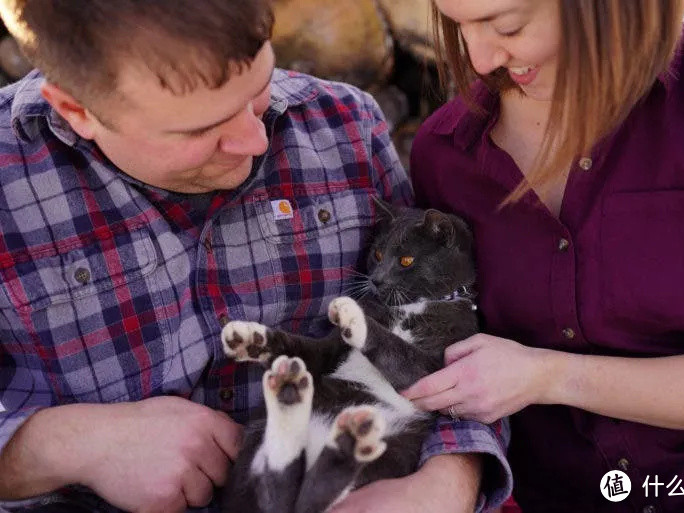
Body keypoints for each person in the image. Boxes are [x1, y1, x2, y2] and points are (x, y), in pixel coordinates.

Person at [0, 1, 514, 512]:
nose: (255, 137)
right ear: (77, 110)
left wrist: (448, 481)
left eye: (260, 87)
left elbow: (446, 338)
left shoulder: (346, 126)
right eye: (201, 129)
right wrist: (64, 445)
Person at [403, 0, 684, 512]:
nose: (480, 60)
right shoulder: (442, 154)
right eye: (458, 26)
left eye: (508, 26)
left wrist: (549, 375)